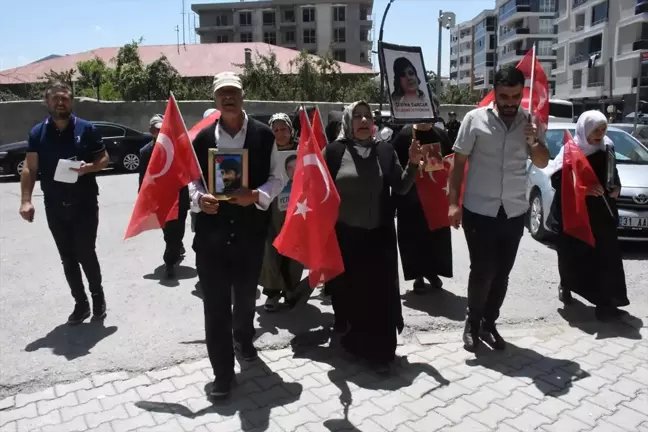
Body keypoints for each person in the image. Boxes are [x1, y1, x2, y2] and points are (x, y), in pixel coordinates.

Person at [188, 72, 283, 398]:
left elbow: (278, 178)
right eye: (222, 94)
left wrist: (255, 195)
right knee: (215, 307)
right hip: (211, 238)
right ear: (215, 99)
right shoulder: (201, 140)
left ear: (242, 97)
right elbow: (192, 181)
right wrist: (201, 199)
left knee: (244, 299)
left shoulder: (263, 135)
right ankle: (223, 375)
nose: (228, 98)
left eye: (233, 92)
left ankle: (243, 337)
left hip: (249, 236)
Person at [448, 66, 550, 352]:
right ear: (495, 93)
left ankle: (489, 323)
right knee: (482, 271)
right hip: (480, 209)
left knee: (502, 273)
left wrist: (533, 141)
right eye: (504, 96)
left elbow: (542, 162)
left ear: (521, 94)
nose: (509, 102)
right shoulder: (474, 120)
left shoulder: (530, 123)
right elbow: (457, 165)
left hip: (515, 211)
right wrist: (454, 203)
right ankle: (473, 322)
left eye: (515, 96)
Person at [323, 101, 423, 372]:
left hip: (379, 237)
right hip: (346, 239)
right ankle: (355, 345)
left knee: (381, 297)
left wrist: (413, 164)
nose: (364, 120)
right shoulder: (333, 152)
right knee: (353, 295)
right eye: (357, 116)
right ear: (348, 122)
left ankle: (381, 354)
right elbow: (318, 191)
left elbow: (401, 187)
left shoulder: (386, 151)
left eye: (368, 116)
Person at [19, 81, 110, 325]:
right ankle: (80, 304)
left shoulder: (86, 129)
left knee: (85, 252)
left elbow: (104, 159)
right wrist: (26, 201)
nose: (61, 102)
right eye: (56, 98)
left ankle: (97, 297)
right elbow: (30, 167)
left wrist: (88, 168)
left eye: (66, 98)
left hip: (84, 203)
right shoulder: (38, 133)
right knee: (67, 257)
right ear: (47, 102)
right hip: (54, 204)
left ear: (71, 102)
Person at [546, 110, 628, 321]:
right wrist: (584, 189)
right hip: (574, 214)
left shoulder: (607, 147)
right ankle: (566, 285)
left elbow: (613, 174)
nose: (600, 134)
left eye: (603, 129)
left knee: (607, 258)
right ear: (585, 130)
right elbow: (559, 182)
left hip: (602, 213)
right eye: (595, 130)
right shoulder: (571, 151)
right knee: (572, 256)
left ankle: (606, 302)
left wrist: (616, 187)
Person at [391, 123, 454, 294]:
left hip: (435, 197)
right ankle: (417, 275)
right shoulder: (405, 135)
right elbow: (393, 164)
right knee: (413, 238)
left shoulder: (441, 134)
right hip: (411, 199)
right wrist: (412, 164)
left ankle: (432, 273)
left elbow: (451, 159)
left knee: (436, 238)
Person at [258, 113, 305, 312]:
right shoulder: (264, 151)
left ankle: (291, 288)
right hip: (272, 209)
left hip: (296, 208)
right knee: (271, 251)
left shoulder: (302, 150)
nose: (280, 133)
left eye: (283, 129)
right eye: (275, 130)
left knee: (295, 249)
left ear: (291, 130)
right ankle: (272, 292)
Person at [139, 114, 189, 279]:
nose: (159, 132)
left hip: (178, 197)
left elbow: (186, 172)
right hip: (160, 199)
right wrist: (143, 198)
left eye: (162, 129)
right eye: (155, 129)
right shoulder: (145, 152)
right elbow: (144, 178)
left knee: (178, 229)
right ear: (150, 130)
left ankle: (176, 246)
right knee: (168, 232)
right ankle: (170, 262)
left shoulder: (177, 148)